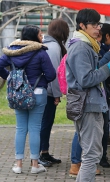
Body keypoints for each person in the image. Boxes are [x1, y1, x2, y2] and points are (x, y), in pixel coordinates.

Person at [66, 9, 110, 182]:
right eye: (94, 25)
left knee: (90, 154)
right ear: (82, 25)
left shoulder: (87, 45)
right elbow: (86, 79)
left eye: (99, 24)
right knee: (91, 155)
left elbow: (91, 72)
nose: (98, 28)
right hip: (88, 105)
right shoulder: (81, 47)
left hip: (90, 103)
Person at [0, 25, 56, 174]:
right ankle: (35, 165)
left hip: (18, 93)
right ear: (34, 36)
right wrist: (40, 80)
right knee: (35, 128)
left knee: (20, 128)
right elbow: (51, 75)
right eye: (40, 33)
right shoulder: (41, 52)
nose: (42, 35)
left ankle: (18, 165)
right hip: (37, 93)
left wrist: (9, 77)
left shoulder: (12, 51)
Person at [39, 18, 69, 167]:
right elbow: (54, 74)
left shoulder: (50, 44)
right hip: (48, 92)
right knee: (45, 123)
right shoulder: (54, 47)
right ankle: (40, 154)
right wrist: (57, 94)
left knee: (47, 122)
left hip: (46, 90)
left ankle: (44, 152)